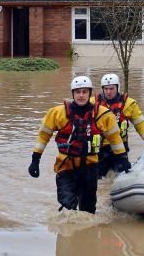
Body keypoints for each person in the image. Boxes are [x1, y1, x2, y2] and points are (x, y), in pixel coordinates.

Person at [28, 75, 130, 213]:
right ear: (72, 93)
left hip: (90, 168)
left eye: (84, 92)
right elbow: (43, 136)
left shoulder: (103, 114)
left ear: (90, 93)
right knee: (68, 205)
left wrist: (122, 158)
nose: (81, 95)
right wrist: (36, 159)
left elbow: (115, 139)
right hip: (66, 167)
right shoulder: (58, 113)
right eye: (77, 92)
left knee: (88, 210)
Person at [93, 73, 144, 177]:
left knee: (120, 176)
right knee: (97, 179)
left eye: (111, 89)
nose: (108, 92)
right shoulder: (93, 103)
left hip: (120, 148)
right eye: (105, 89)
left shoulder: (129, 104)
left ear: (118, 87)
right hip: (99, 149)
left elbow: (140, 125)